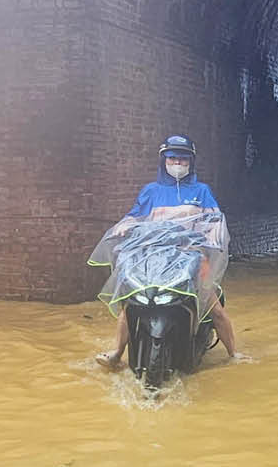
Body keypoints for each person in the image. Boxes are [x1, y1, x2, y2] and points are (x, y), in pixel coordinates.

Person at [96, 134, 240, 368]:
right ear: (164, 160)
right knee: (130, 303)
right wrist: (123, 227)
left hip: (190, 258)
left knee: (215, 309)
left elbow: (214, 223)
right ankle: (117, 352)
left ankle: (234, 354)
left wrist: (208, 245)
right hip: (154, 259)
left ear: (190, 163)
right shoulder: (151, 191)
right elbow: (135, 217)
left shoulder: (201, 191)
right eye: (173, 158)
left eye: (183, 160)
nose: (178, 164)